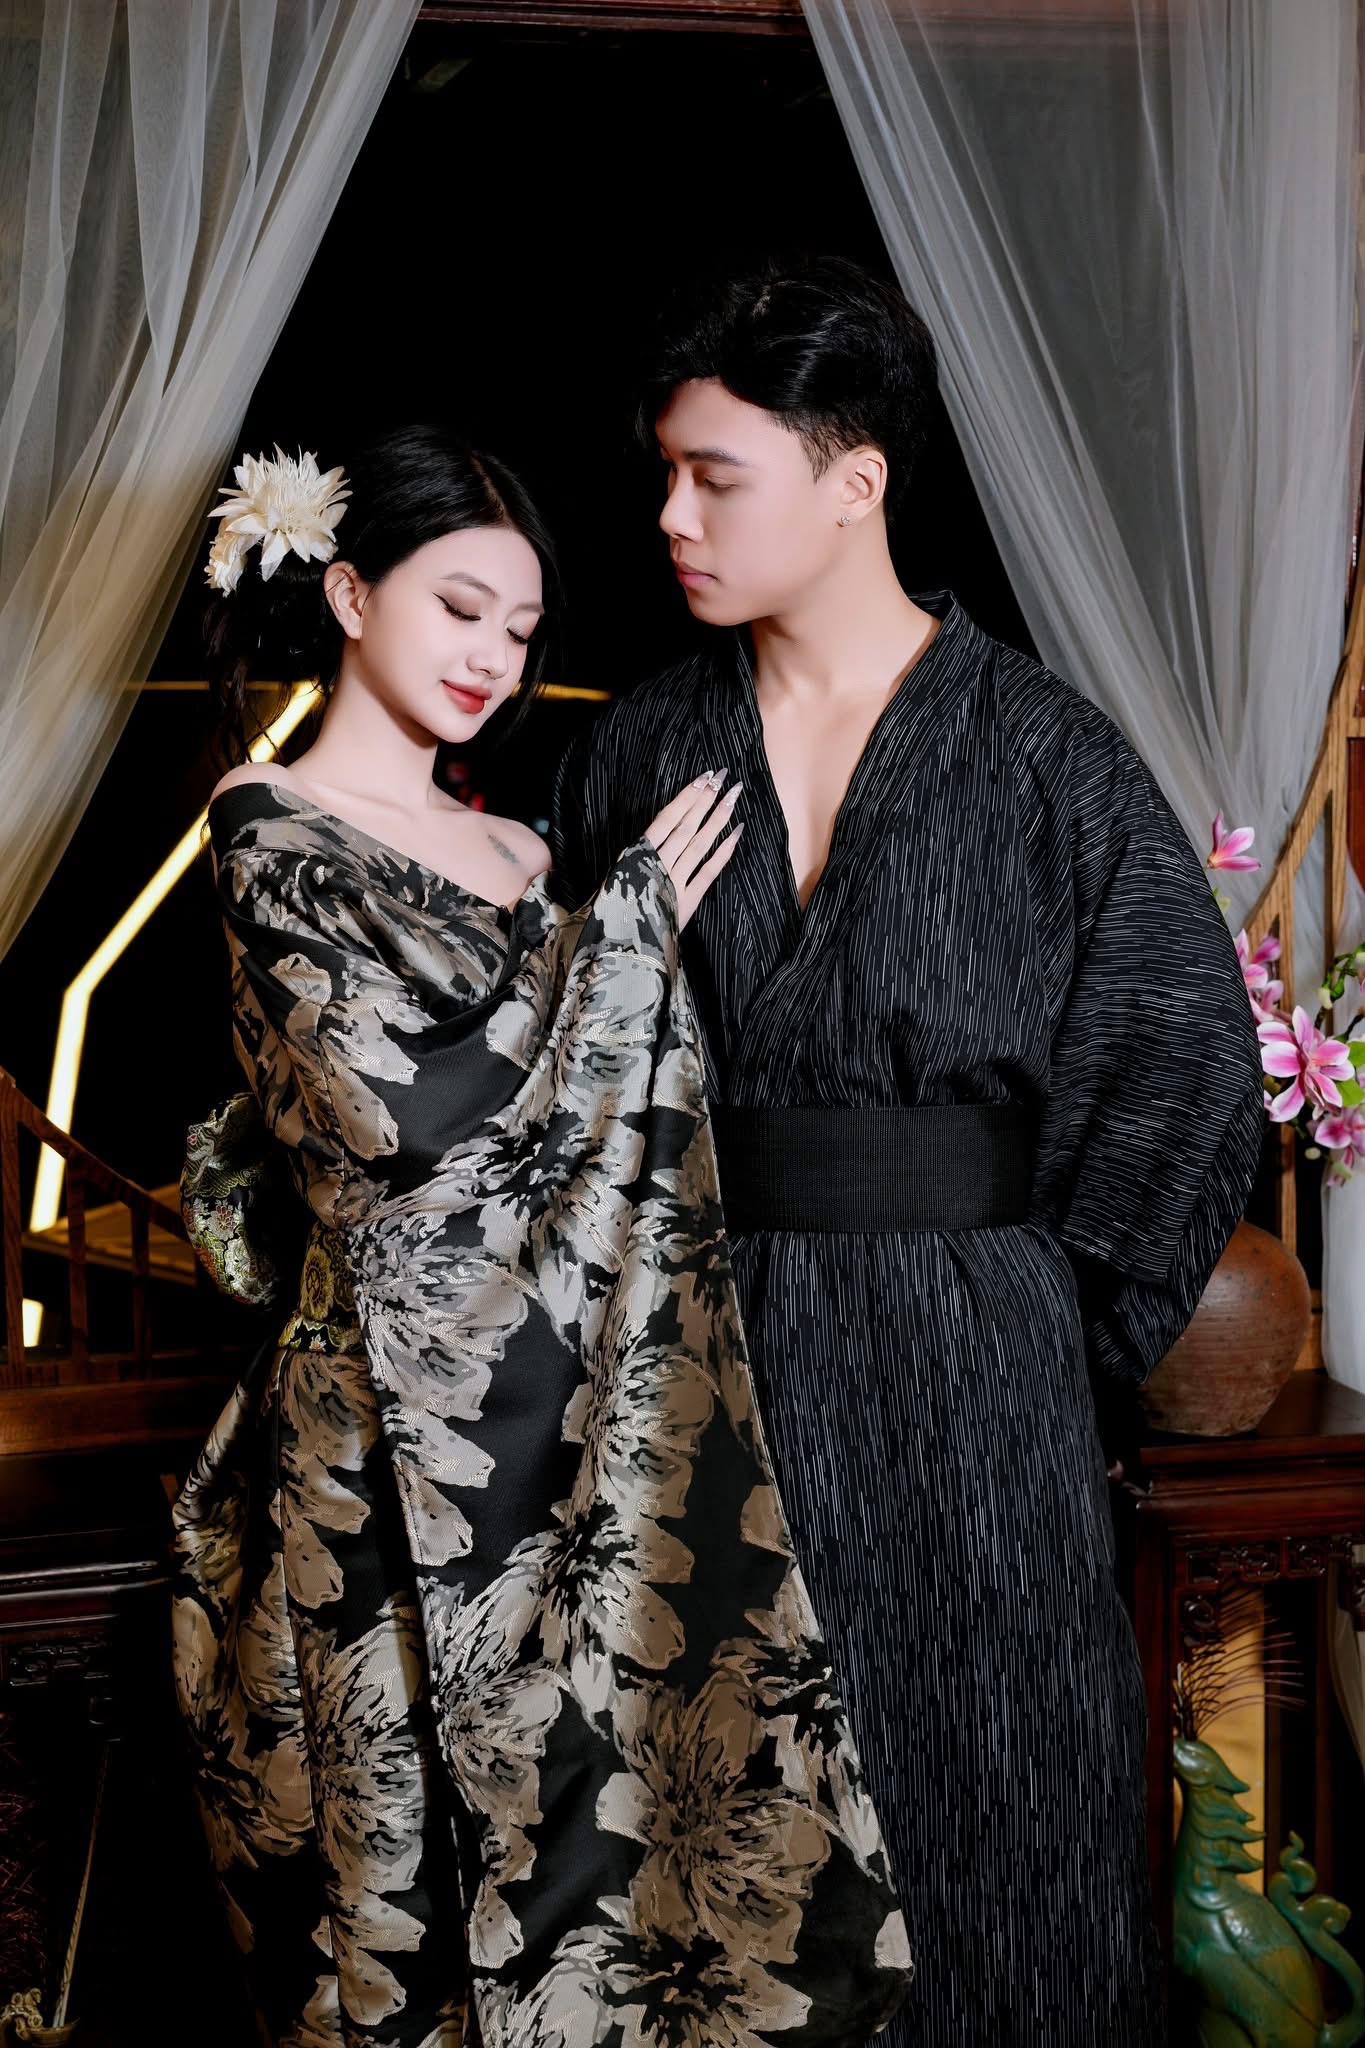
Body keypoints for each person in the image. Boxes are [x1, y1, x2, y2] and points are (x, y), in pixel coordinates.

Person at [551, 257, 1267, 2046]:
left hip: (977, 1380)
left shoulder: (1045, 758)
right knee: (711, 1833)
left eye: (715, 476)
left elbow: (1182, 1071)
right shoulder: (637, 750)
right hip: (693, 1370)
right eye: (664, 473)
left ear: (852, 480)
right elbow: (546, 1077)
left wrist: (1035, 1334)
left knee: (999, 1818)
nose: (670, 516)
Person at [173, 425, 914, 2048]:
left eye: (517, 632)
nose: (490, 661)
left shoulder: (523, 852)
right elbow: (399, 1132)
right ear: (351, 593)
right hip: (388, 1455)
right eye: (458, 610)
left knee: (612, 1841)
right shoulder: (271, 830)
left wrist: (619, 937)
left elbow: (619, 1138)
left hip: (575, 1436)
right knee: (415, 1886)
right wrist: (627, 933)